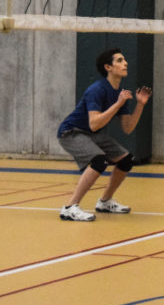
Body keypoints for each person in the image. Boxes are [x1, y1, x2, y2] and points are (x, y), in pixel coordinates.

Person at [57, 48, 152, 221]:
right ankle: (70, 207)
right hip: (71, 132)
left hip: (91, 133)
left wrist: (140, 105)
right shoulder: (97, 90)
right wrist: (118, 104)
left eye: (125, 60)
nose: (125, 63)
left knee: (126, 159)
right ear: (108, 67)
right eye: (120, 60)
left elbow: (128, 128)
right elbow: (94, 123)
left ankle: (105, 202)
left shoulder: (120, 93)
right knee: (98, 161)